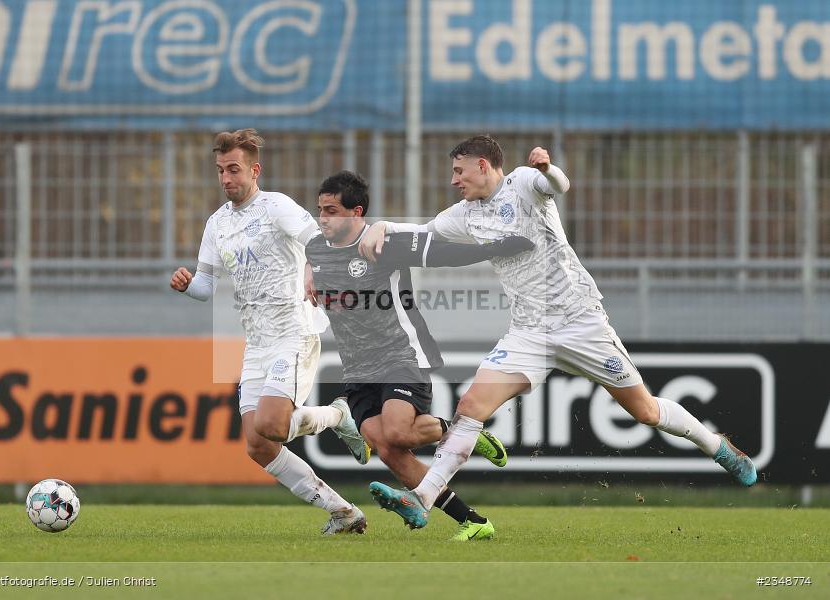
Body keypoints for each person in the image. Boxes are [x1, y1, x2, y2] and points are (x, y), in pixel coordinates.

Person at [359, 135, 758, 529]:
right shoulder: (466, 212)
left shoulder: (522, 182)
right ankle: (422, 499)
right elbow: (427, 231)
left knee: (645, 411)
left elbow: (557, 185)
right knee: (470, 407)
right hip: (528, 333)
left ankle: (717, 446)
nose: (453, 180)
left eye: (459, 171)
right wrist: (383, 226)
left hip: (580, 323)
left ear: (483, 165)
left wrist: (548, 168)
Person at [304, 170, 533, 541]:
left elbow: (440, 250)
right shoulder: (315, 246)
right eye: (319, 210)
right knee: (387, 448)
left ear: (355, 212)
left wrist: (496, 247)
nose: (323, 218)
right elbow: (308, 254)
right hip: (357, 370)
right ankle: (472, 520)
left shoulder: (382, 244)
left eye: (331, 211)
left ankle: (463, 435)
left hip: (400, 354)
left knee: (397, 433)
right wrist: (306, 272)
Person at [169, 129, 369, 535]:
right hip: (256, 342)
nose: (226, 178)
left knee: (273, 425)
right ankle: (343, 511)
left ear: (255, 170)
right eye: (221, 170)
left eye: (234, 170)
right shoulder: (217, 224)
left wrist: (314, 267)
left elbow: (316, 237)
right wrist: (188, 284)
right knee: (258, 445)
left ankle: (338, 415)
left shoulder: (276, 207)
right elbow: (206, 288)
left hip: (293, 332)